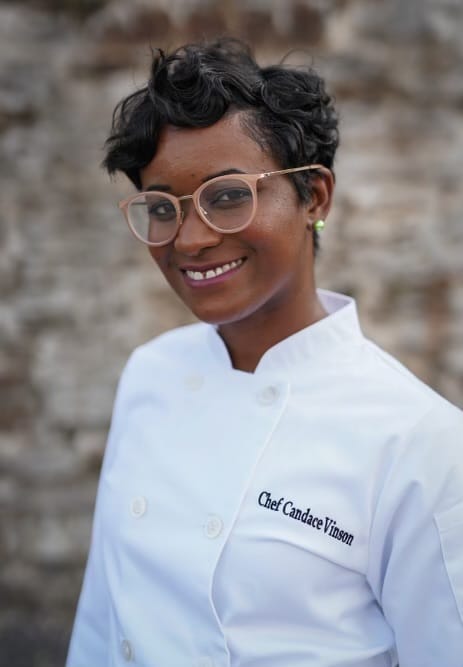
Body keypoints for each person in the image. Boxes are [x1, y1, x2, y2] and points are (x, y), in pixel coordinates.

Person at [66, 39, 463, 667]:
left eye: (227, 196)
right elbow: (102, 618)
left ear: (315, 197)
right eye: (162, 208)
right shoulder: (150, 373)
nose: (190, 240)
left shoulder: (420, 442)